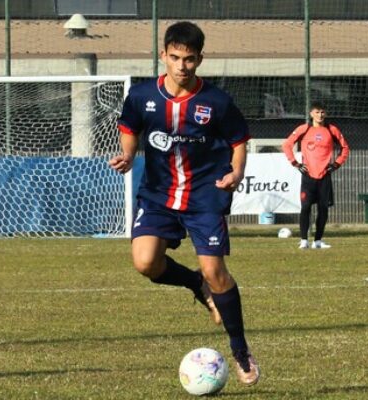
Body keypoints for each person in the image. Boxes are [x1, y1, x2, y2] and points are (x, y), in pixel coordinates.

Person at [109, 21, 259, 385]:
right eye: (175, 58)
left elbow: (239, 139)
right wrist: (128, 156)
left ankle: (240, 350)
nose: (181, 66)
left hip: (204, 196)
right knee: (146, 262)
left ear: (199, 60)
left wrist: (237, 172)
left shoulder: (217, 102)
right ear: (163, 55)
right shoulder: (143, 95)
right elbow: (129, 127)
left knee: (216, 272)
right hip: (159, 194)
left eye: (189, 59)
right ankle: (195, 285)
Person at [282, 101, 350, 249]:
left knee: (323, 208)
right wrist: (295, 163)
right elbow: (287, 145)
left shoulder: (332, 130)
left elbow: (345, 148)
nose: (320, 115)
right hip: (308, 176)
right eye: (317, 112)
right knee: (305, 207)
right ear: (311, 113)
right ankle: (304, 240)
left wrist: (336, 164)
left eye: (322, 112)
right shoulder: (304, 129)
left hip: (325, 176)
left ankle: (318, 241)